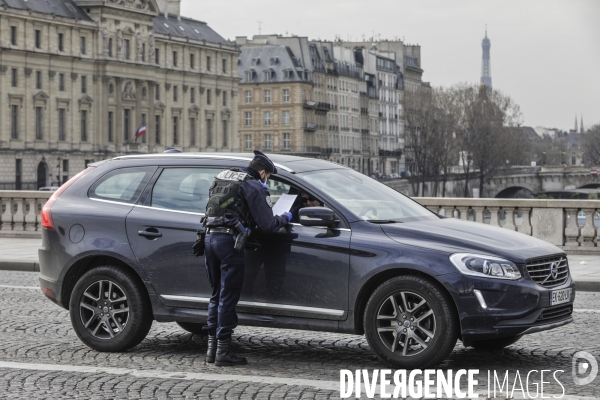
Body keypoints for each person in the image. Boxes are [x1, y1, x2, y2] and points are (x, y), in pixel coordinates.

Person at [202, 150, 292, 366]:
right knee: (228, 297)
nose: (267, 180)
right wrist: (285, 217)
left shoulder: (224, 177)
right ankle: (223, 353)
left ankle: (211, 350)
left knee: (216, 295)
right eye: (268, 176)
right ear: (263, 172)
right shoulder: (252, 184)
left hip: (208, 239)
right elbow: (268, 225)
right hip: (229, 244)